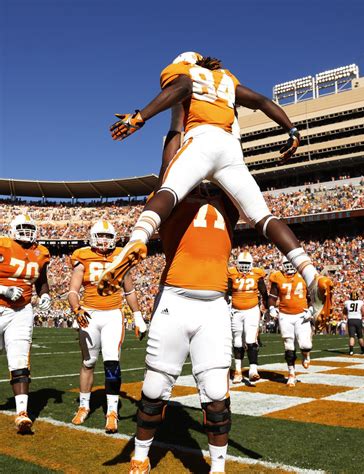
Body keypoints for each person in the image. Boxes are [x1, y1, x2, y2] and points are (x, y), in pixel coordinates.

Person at [99, 51, 332, 321]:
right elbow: (261, 101)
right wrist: (291, 130)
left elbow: (182, 87)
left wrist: (139, 117)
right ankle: (310, 274)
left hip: (202, 140)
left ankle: (137, 240)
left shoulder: (184, 73)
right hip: (230, 150)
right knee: (263, 217)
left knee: (167, 191)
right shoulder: (226, 79)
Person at [129, 114, 240, 473]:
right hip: (174, 300)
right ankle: (140, 456)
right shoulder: (170, 197)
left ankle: (218, 468)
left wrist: (226, 120)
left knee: (216, 395)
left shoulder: (229, 203)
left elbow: (232, 158)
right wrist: (179, 114)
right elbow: (170, 166)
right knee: (154, 388)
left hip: (214, 306)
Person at [68, 220, 146, 434]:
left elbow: (129, 291)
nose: (104, 240)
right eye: (100, 235)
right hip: (89, 314)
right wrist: (76, 309)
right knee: (88, 362)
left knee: (112, 362)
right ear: (92, 237)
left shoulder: (121, 255)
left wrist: (138, 315)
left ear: (114, 239)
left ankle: (112, 412)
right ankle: (84, 405)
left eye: (108, 236)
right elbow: (73, 290)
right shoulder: (82, 256)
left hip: (113, 314)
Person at [0, 215, 51, 433]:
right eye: (22, 227)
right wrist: (3, 290)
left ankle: (22, 413)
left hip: (22, 310)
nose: (27, 232)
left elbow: (42, 281)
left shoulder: (41, 252)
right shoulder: (3, 245)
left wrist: (45, 294)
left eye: (30, 228)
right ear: (12, 229)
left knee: (20, 359)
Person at [268, 257, 314, 387]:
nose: (289, 266)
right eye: (287, 264)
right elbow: (272, 296)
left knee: (305, 345)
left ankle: (306, 355)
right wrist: (271, 307)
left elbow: (311, 296)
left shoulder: (304, 276)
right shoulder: (278, 276)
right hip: (285, 315)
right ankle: (291, 373)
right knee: (289, 345)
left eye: (291, 263)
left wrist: (311, 310)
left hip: (302, 314)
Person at [227, 251, 267, 383]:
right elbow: (227, 292)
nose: (244, 266)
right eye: (242, 263)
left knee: (250, 340)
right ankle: (238, 371)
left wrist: (268, 306)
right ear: (237, 263)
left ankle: (253, 370)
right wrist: (227, 305)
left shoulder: (257, 273)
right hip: (236, 311)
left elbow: (264, 291)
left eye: (246, 263)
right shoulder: (232, 273)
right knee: (237, 341)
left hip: (251, 310)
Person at [343, 291, 364, 355]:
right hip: (358, 320)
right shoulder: (360, 302)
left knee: (352, 336)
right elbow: (363, 312)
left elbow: (344, 312)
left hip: (350, 320)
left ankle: (351, 351)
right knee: (360, 336)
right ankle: (363, 348)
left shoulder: (347, 302)